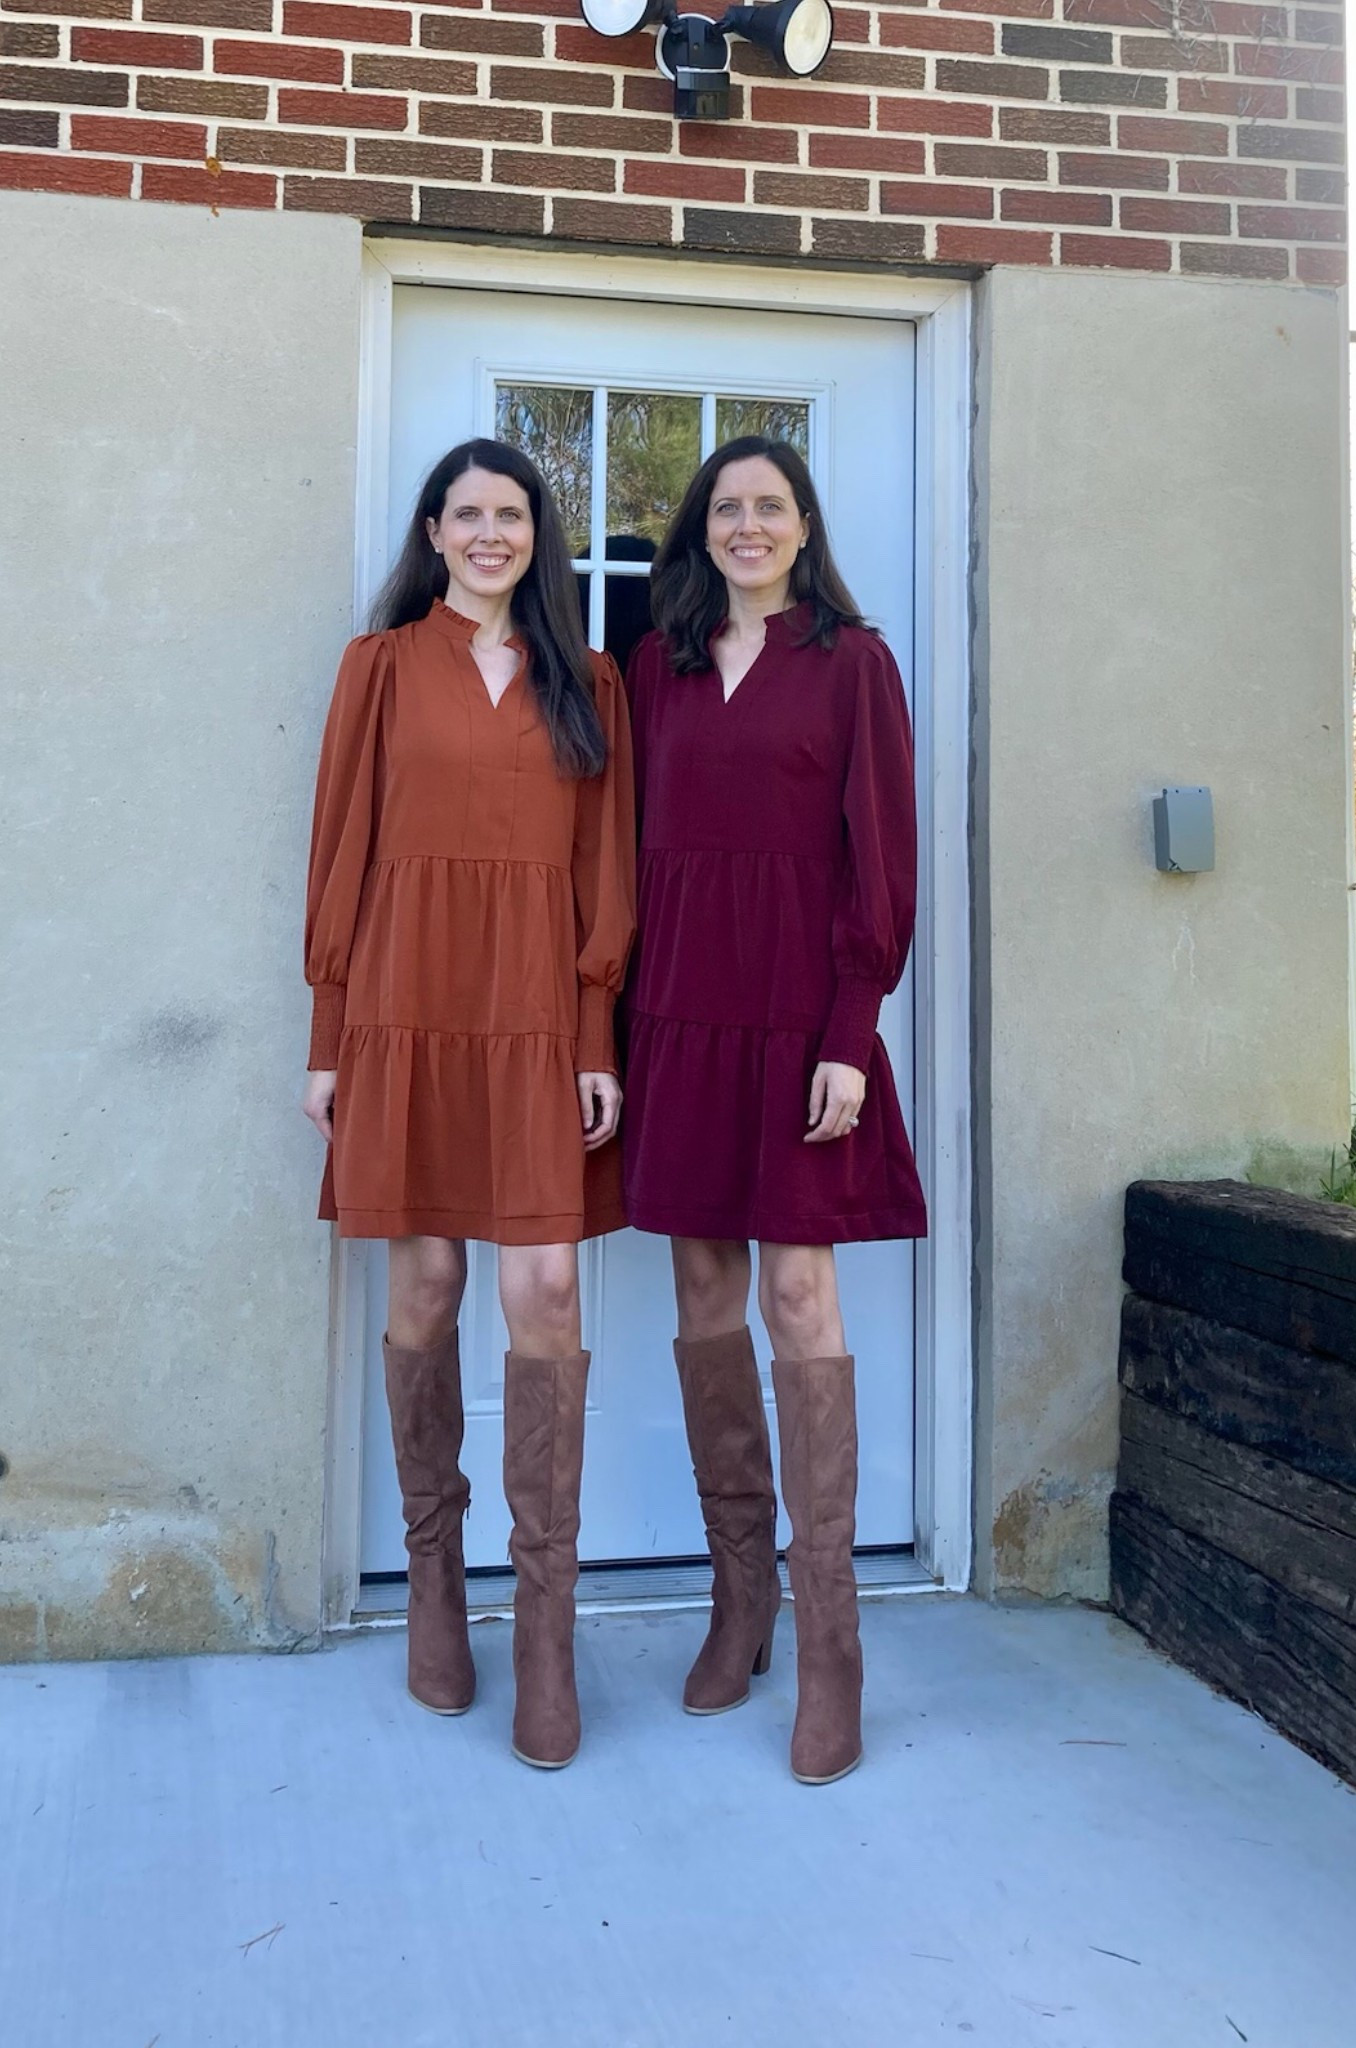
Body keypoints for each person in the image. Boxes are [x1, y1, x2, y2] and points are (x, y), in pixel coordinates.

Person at [302, 438, 635, 1769]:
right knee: (428, 1280)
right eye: (468, 514)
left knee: (543, 1289)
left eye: (511, 515)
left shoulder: (589, 679)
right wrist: (329, 1036)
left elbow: (607, 868)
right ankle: (432, 1589)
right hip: (402, 1002)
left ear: (535, 537)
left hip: (539, 1015)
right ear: (435, 532)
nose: (490, 534)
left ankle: (542, 1626)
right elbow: (336, 849)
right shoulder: (377, 671)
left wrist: (596, 1031)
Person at [622, 436, 927, 1785]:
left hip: (804, 1024)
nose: (747, 526)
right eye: (726, 508)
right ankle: (737, 1603)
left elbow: (885, 857)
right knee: (702, 1296)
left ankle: (831, 1644)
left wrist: (853, 1031)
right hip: (679, 1019)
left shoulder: (852, 663)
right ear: (701, 533)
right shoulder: (657, 666)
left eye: (770, 507)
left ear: (804, 528)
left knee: (800, 1302)